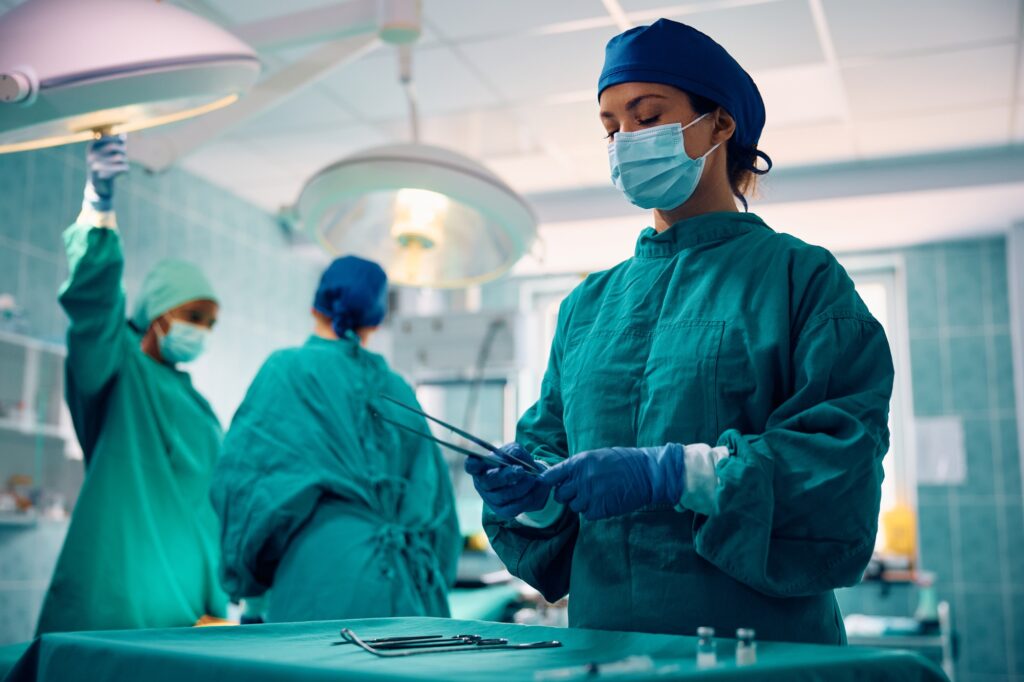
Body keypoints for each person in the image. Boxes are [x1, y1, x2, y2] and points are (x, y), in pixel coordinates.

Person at [465, 19, 894, 645]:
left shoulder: (802, 279)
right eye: (611, 127)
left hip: (758, 646)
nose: (624, 140)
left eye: (647, 116)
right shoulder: (588, 305)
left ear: (719, 124)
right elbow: (552, 454)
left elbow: (840, 465)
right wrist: (533, 495)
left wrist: (675, 473)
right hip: (605, 643)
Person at [37, 135, 227, 634]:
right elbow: (95, 307)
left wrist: (219, 595)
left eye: (211, 322)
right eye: (194, 315)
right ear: (158, 314)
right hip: (113, 603)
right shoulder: (117, 375)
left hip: (189, 612)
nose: (203, 330)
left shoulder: (199, 407)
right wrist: (98, 206)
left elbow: (207, 513)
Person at [210, 256, 460, 623]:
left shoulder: (288, 371)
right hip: (409, 597)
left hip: (318, 587)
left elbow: (248, 488)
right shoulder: (398, 390)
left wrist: (249, 589)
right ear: (375, 321)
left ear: (315, 306)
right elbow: (437, 509)